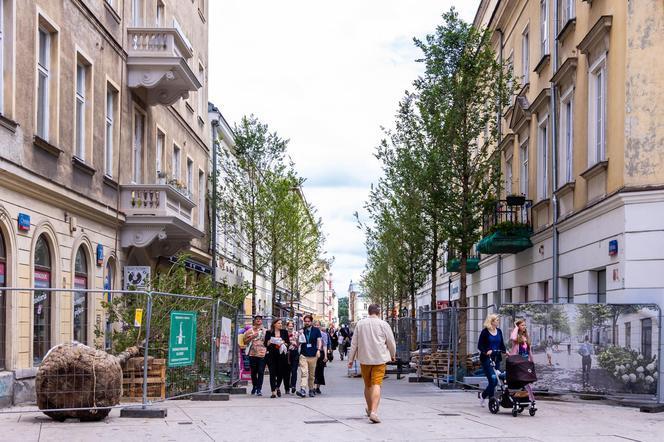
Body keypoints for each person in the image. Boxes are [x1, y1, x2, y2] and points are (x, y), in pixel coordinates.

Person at [347, 304, 396, 424]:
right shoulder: (384, 324)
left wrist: (350, 359)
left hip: (364, 358)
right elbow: (391, 341)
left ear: (368, 312)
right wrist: (393, 354)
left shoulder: (360, 324)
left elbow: (354, 343)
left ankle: (369, 409)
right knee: (377, 384)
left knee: (368, 385)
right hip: (379, 358)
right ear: (378, 312)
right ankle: (374, 412)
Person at [477, 313, 506, 407]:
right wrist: (486, 351)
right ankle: (487, 397)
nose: (498, 321)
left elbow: (501, 344)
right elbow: (480, 345)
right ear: (492, 321)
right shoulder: (485, 332)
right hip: (487, 359)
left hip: (497, 358)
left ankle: (487, 398)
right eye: (497, 320)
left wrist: (506, 352)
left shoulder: (499, 331)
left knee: (495, 380)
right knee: (493, 380)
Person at [509, 319, 536, 405]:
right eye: (522, 325)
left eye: (525, 325)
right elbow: (512, 337)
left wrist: (532, 362)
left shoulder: (526, 337)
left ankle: (529, 399)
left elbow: (529, 352)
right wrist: (516, 327)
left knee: (526, 381)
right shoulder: (516, 337)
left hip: (525, 363)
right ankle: (531, 399)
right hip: (517, 362)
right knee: (523, 381)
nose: (524, 327)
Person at [296, 314, 322, 398]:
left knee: (311, 375)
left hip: (313, 354)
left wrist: (318, 350)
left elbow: (319, 341)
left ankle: (311, 389)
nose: (307, 323)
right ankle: (303, 389)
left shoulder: (316, 330)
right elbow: (298, 343)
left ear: (311, 321)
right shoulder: (302, 330)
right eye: (305, 321)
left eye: (308, 321)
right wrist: (299, 336)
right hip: (304, 354)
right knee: (304, 372)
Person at [264, 318, 290, 398]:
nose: (280, 325)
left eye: (281, 323)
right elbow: (265, 344)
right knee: (272, 373)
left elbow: (288, 343)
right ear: (274, 324)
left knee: (280, 373)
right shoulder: (269, 332)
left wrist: (283, 343)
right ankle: (273, 391)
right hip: (271, 355)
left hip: (281, 355)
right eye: (279, 323)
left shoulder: (284, 332)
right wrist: (268, 342)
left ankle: (277, 386)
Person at [243, 315, 267, 396]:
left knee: (261, 371)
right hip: (252, 353)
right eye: (256, 319)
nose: (258, 321)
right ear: (254, 321)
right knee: (253, 372)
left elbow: (268, 341)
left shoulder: (265, 331)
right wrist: (252, 337)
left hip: (262, 354)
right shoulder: (250, 331)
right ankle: (254, 386)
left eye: (260, 319)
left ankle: (259, 389)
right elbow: (244, 341)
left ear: (262, 321)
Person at [314, 320, 329, 394]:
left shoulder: (324, 334)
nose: (316, 326)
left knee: (320, 371)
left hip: (321, 353)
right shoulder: (312, 334)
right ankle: (312, 387)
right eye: (315, 325)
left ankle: (318, 387)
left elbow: (325, 345)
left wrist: (325, 356)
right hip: (313, 353)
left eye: (318, 325)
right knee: (313, 370)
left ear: (320, 326)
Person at [286, 320, 300, 394]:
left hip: (294, 352)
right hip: (286, 353)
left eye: (292, 326)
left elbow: (299, 343)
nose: (290, 327)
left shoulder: (296, 333)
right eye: (289, 326)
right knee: (287, 371)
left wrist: (296, 344)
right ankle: (287, 386)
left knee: (294, 370)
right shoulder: (284, 333)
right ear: (287, 326)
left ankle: (293, 385)